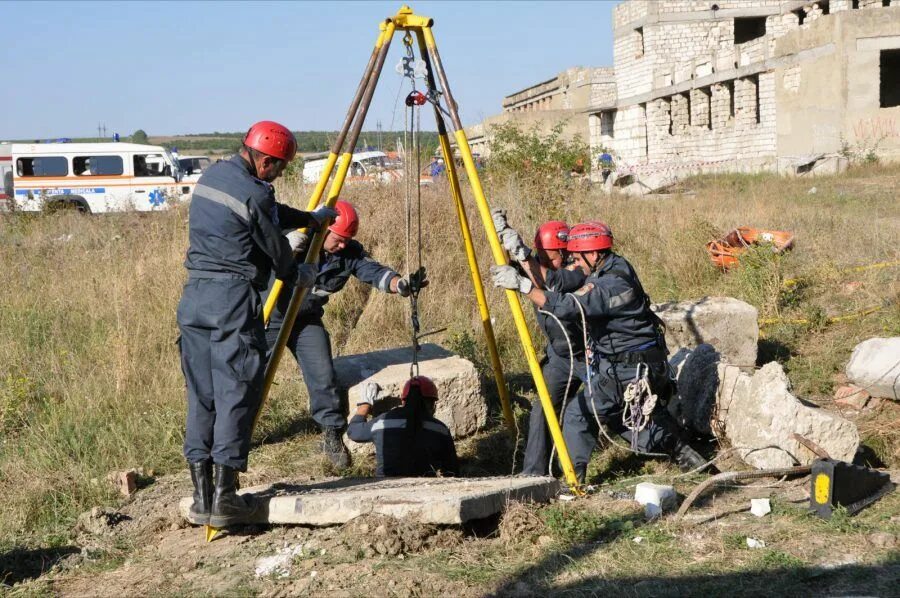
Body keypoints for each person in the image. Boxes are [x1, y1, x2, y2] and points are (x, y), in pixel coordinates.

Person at [177, 120, 337, 528]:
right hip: (230, 300)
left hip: (194, 298)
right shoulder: (253, 191)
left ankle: (202, 498)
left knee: (203, 394)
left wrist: (309, 218)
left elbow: (267, 213)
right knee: (236, 390)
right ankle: (227, 499)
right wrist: (297, 272)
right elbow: (274, 244)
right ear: (265, 160)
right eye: (279, 167)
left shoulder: (215, 175)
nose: (279, 174)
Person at [490, 221, 706, 484]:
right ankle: (682, 451)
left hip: (625, 367)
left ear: (592, 254)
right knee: (619, 415)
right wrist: (522, 255)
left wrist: (524, 287)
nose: (574, 262)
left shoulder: (608, 285)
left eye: (576, 257)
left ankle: (573, 482)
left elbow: (568, 304)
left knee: (579, 414)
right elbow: (556, 281)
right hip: (627, 363)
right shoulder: (613, 266)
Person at [264, 199, 427, 469]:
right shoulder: (295, 240)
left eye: (346, 241)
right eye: (338, 240)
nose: (341, 246)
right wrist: (284, 249)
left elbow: (373, 271)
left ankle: (330, 433)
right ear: (324, 230)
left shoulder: (348, 252)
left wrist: (401, 285)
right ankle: (238, 434)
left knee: (323, 375)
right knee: (250, 376)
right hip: (271, 318)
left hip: (306, 321)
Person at [491, 210, 587, 476]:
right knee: (542, 409)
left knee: (610, 407)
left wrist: (524, 255)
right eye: (540, 256)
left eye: (549, 257)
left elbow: (552, 282)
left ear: (565, 252)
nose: (543, 261)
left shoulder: (579, 269)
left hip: (589, 354)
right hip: (560, 356)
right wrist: (505, 238)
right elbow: (530, 271)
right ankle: (535, 473)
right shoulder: (543, 265)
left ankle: (668, 449)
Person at [347, 377, 459, 477]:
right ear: (432, 404)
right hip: (423, 489)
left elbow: (353, 432)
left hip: (386, 486)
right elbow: (452, 470)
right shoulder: (440, 430)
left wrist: (365, 404)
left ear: (403, 400)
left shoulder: (383, 422)